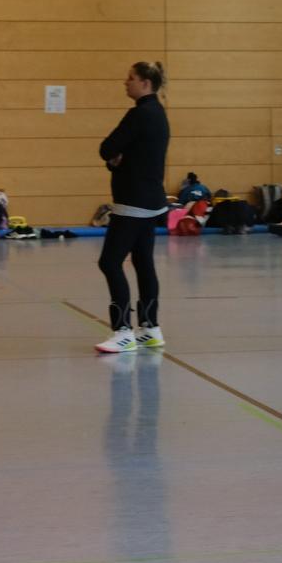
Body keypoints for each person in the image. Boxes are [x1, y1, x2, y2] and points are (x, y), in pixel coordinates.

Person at [94, 62, 171, 355]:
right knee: (143, 262)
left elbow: (106, 148)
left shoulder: (138, 114)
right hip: (151, 201)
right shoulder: (159, 113)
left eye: (131, 78)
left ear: (146, 83)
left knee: (109, 262)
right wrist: (118, 159)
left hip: (132, 202)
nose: (125, 82)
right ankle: (150, 328)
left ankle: (123, 331)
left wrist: (116, 159)